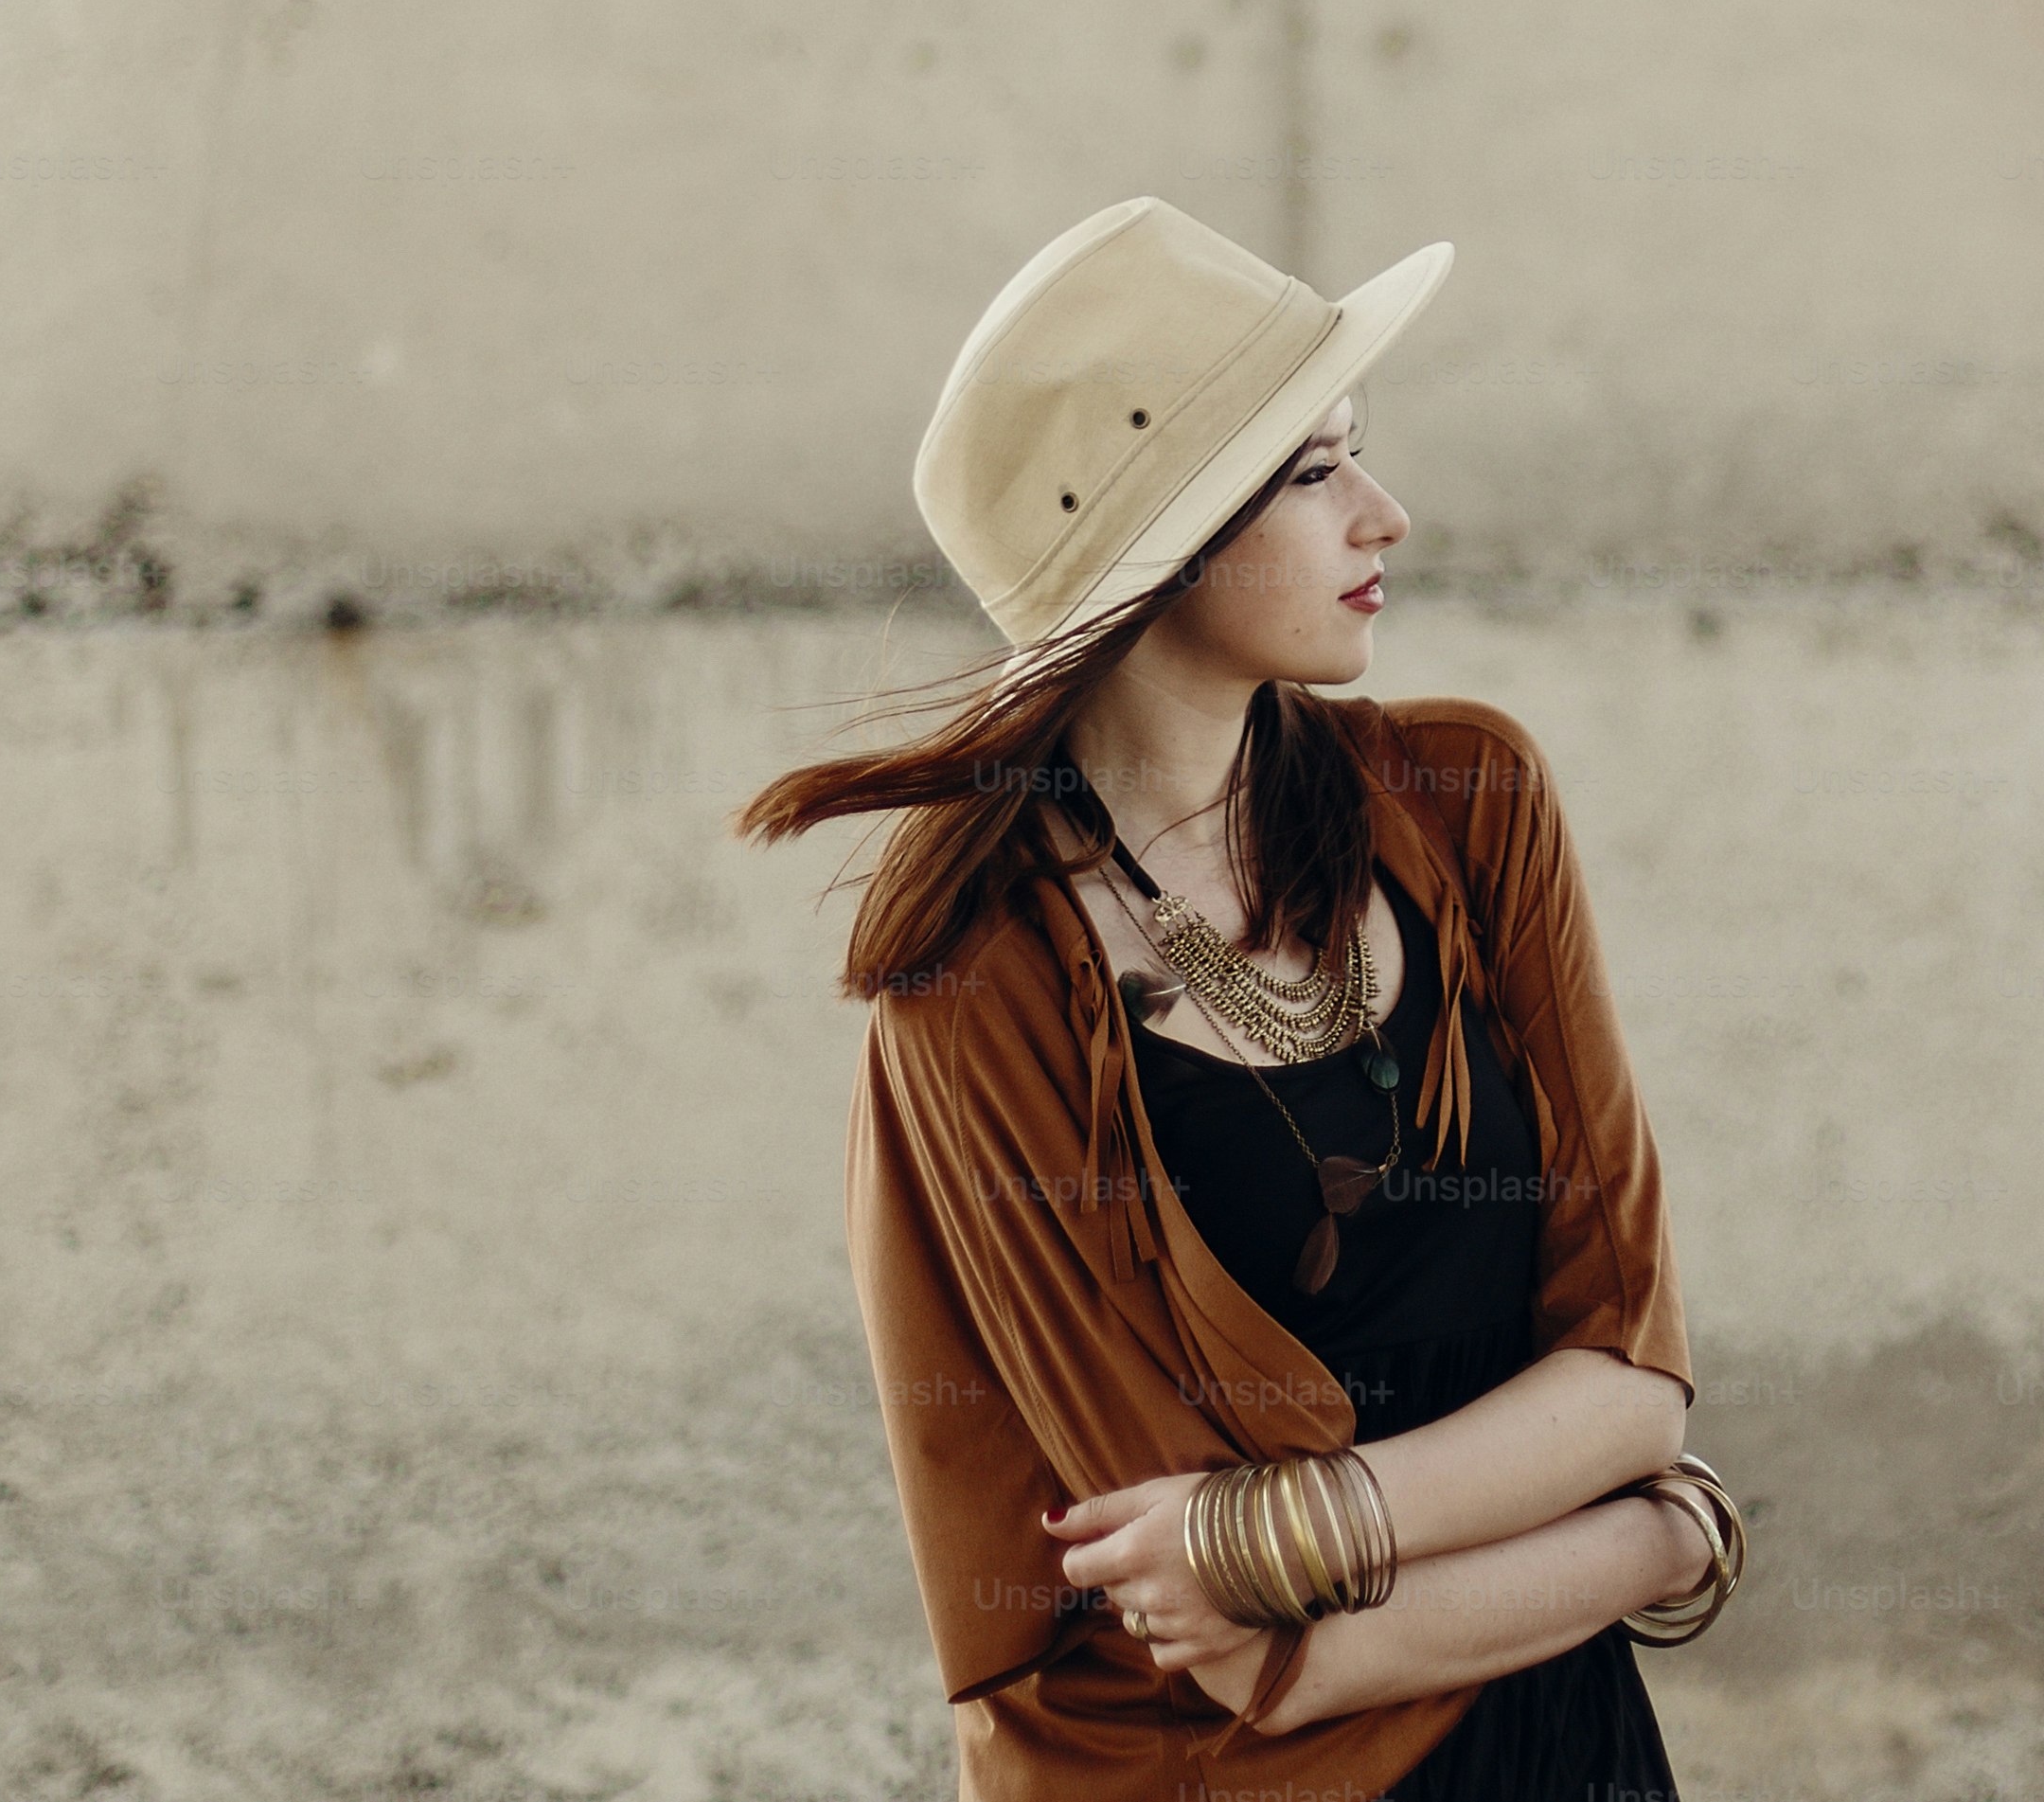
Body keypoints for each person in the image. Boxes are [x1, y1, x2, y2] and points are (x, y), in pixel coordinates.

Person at [737, 197, 1741, 1801]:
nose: (1385, 515)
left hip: (1566, 1751)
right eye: (1312, 471)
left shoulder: (1466, 798)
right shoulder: (973, 983)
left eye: (1360, 450)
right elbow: (1257, 1650)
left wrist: (1334, 1523)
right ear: (1164, 545)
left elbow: (1627, 1369)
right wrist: (1652, 1540)